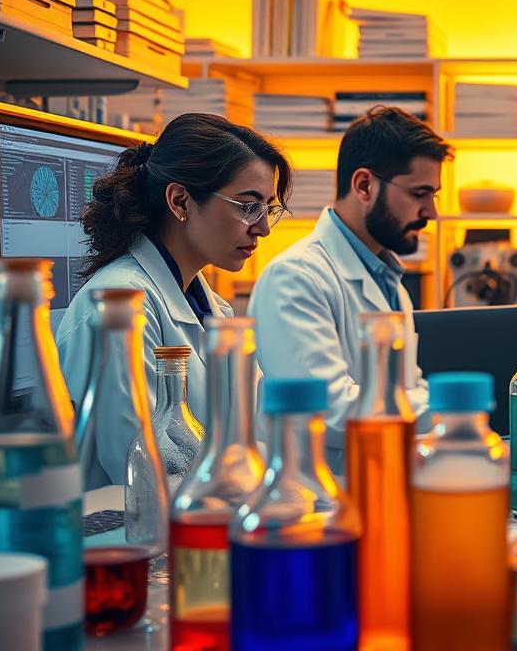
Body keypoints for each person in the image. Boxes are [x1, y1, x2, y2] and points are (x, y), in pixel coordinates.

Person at [57, 113, 292, 488]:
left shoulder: (209, 305)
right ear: (180, 201)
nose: (262, 227)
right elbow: (145, 471)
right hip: (124, 534)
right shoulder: (118, 307)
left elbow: (254, 433)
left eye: (268, 208)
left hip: (202, 517)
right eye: (248, 206)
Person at [249, 106, 450, 468]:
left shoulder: (390, 283)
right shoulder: (295, 278)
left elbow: (409, 389)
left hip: (383, 484)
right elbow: (329, 408)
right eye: (420, 193)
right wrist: (454, 410)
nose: (431, 212)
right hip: (323, 500)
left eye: (433, 195)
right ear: (364, 185)